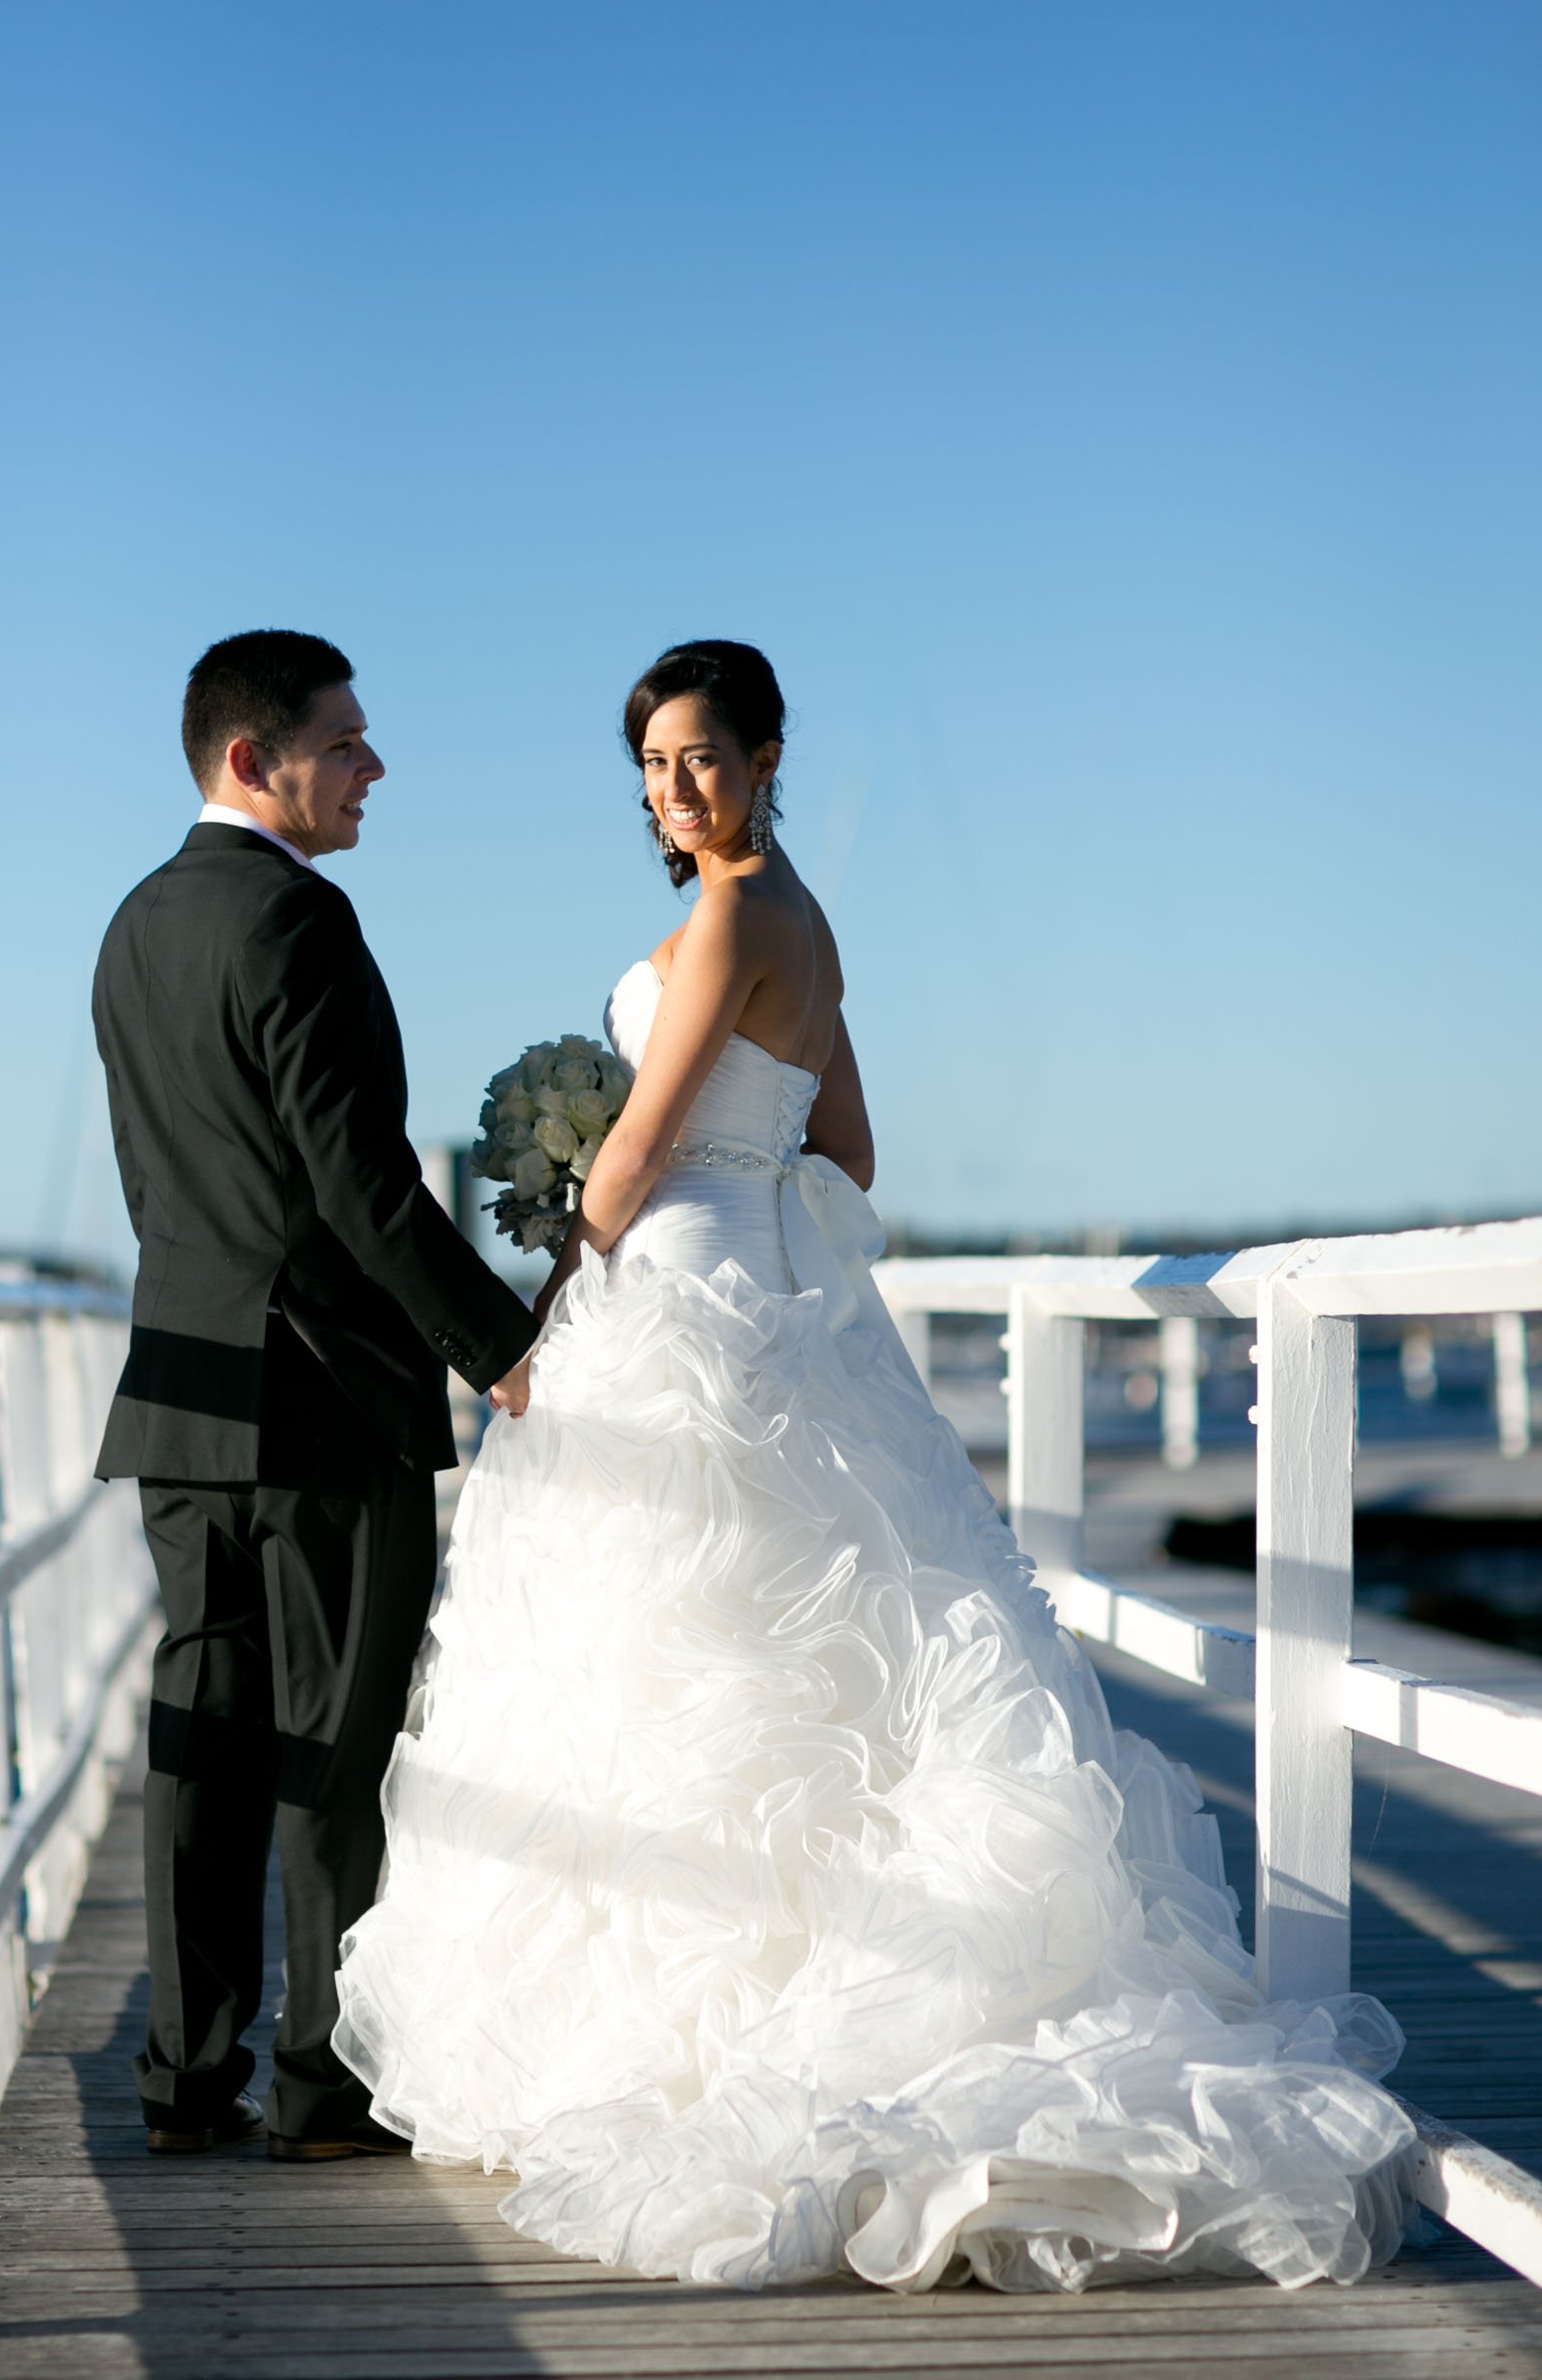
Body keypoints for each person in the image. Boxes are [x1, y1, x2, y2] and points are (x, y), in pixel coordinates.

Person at [332, 639, 1415, 2291]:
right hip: (775, 1302)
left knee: (677, 1656)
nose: (675, 789)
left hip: (680, 1312)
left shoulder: (728, 916)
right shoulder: (808, 924)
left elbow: (635, 1140)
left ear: (766, 756)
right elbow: (849, 1149)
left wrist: (555, 1283)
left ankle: (692, 2039)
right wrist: (733, 1181)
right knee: (798, 1651)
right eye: (653, 766)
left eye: (702, 757)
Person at [93, 629, 536, 2161]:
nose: (373, 766)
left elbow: (166, 1182)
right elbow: (360, 1185)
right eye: (343, 743)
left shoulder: (132, 927)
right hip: (320, 1399)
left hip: (184, 1387)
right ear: (250, 759)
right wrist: (505, 1344)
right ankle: (322, 2088)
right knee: (332, 1755)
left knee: (202, 1745)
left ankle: (181, 2078)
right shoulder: (301, 921)